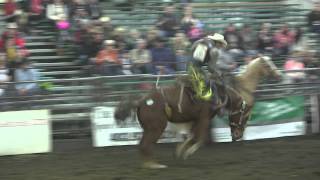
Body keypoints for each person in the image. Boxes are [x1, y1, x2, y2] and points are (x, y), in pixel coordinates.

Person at [188, 33, 228, 103]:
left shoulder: (200, 41)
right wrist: (218, 73)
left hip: (190, 66)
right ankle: (210, 102)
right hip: (196, 69)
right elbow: (211, 67)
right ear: (218, 43)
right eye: (221, 44)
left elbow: (192, 51)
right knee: (210, 83)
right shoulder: (214, 50)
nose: (221, 47)